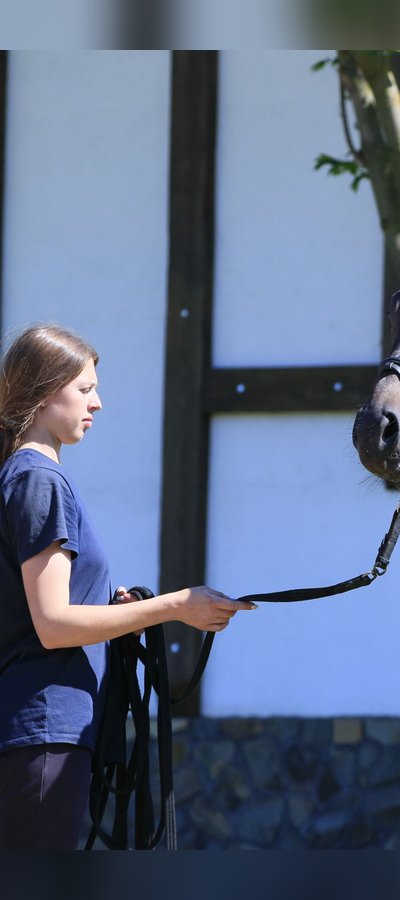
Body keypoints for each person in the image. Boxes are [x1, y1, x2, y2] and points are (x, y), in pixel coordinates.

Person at [0, 324, 255, 849]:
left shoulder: (26, 475)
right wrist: (174, 607)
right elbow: (52, 625)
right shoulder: (37, 479)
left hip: (43, 725)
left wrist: (111, 607)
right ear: (47, 392)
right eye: (85, 389)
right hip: (45, 724)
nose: (98, 403)